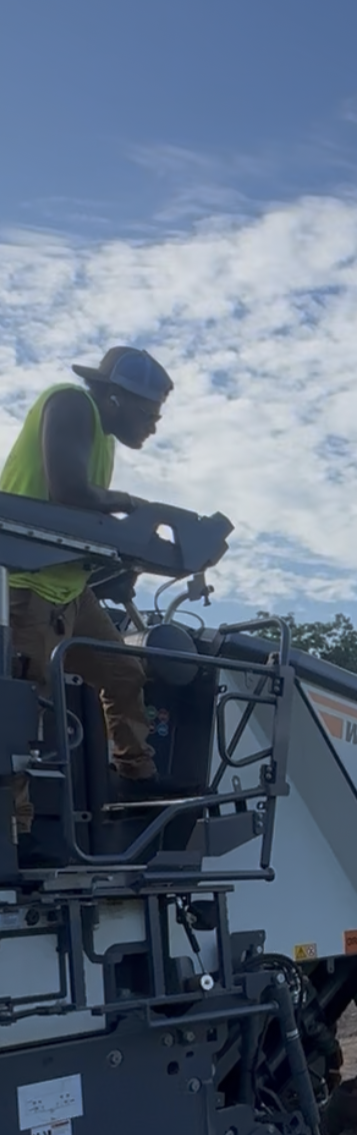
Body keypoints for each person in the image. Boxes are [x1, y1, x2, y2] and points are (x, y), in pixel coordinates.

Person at [0, 345, 173, 833]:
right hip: (24, 585)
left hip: (68, 589)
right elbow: (68, 491)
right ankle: (16, 834)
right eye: (150, 413)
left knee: (123, 672)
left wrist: (113, 561)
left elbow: (76, 521)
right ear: (116, 398)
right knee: (20, 710)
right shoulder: (73, 404)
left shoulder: (103, 436)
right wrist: (132, 506)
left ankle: (135, 778)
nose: (154, 426)